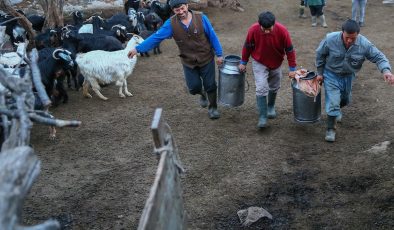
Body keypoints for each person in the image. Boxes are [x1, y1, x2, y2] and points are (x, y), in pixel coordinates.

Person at [127, 0, 224, 119]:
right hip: (188, 61)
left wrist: (219, 54)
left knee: (211, 85)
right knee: (193, 88)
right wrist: (138, 49)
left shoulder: (201, 18)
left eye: (183, 8)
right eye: (177, 10)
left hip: (206, 58)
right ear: (173, 10)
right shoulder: (171, 24)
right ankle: (201, 93)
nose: (181, 12)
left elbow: (212, 36)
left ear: (187, 6)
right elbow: (156, 37)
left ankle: (213, 108)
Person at [315, 19, 394, 142]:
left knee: (345, 99)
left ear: (358, 34)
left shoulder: (364, 44)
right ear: (342, 32)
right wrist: (320, 73)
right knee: (333, 101)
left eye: (353, 38)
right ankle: (330, 129)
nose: (349, 41)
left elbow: (379, 57)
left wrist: (386, 71)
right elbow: (320, 55)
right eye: (347, 37)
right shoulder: (330, 39)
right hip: (331, 74)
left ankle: (337, 109)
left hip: (348, 75)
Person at [239, 11, 297, 129]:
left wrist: (292, 68)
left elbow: (290, 50)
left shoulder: (282, 31)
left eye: (269, 28)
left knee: (274, 86)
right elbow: (247, 46)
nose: (266, 31)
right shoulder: (253, 30)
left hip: (276, 62)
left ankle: (270, 106)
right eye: (263, 28)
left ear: (274, 24)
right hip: (259, 62)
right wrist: (243, 62)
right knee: (261, 87)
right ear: (259, 24)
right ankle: (262, 117)